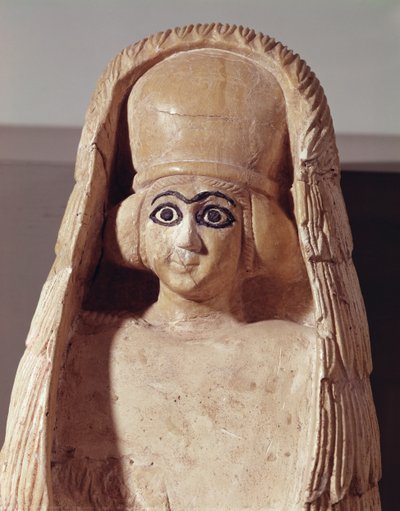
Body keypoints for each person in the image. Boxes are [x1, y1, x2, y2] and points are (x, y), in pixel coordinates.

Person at [0, 24, 381, 510]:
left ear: (252, 235)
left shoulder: (296, 355)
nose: (187, 239)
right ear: (136, 229)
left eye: (214, 216)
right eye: (166, 214)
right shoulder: (92, 348)